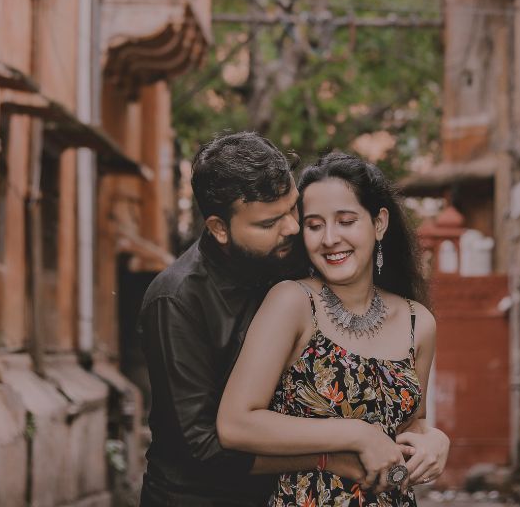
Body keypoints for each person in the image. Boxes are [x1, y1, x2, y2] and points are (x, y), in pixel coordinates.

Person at [138, 133, 447, 507]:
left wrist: (433, 439)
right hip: (199, 498)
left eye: (293, 210)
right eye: (271, 222)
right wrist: (335, 454)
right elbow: (206, 443)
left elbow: (406, 419)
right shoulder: (178, 298)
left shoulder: (294, 260)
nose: (294, 229)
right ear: (220, 229)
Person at [218, 151, 443, 507]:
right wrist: (356, 434)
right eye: (315, 225)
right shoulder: (292, 302)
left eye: (346, 220)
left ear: (379, 223)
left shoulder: (419, 322)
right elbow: (235, 424)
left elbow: (411, 423)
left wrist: (434, 441)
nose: (329, 238)